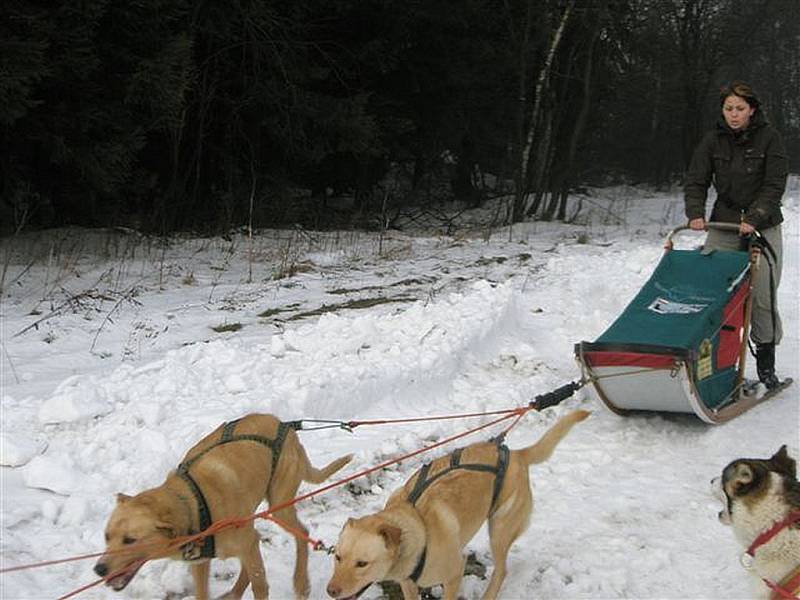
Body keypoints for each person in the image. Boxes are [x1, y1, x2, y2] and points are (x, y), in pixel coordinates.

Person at [684, 81, 788, 389]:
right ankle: (711, 360)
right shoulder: (712, 141)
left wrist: (755, 217)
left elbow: (774, 186)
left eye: (740, 109)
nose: (733, 114)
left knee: (762, 296)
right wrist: (695, 213)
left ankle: (766, 365)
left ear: (752, 110)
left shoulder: (770, 139)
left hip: (764, 224)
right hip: (725, 222)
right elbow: (696, 179)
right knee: (713, 291)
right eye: (728, 108)